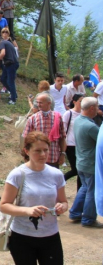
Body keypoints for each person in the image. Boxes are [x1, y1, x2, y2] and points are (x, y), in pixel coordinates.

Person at [0, 131, 68, 265]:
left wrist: (62, 207)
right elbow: (4, 205)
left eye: (45, 150)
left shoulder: (56, 174)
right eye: (37, 150)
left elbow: (63, 201)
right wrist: (28, 211)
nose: (43, 154)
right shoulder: (17, 174)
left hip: (50, 235)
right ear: (27, 151)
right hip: (22, 236)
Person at [68, 97, 102, 228]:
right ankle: (88, 219)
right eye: (97, 107)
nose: (98, 109)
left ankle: (75, 213)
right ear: (92, 108)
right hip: (90, 164)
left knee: (84, 188)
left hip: (81, 162)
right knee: (92, 191)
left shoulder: (78, 121)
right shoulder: (90, 126)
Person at [23, 93, 66, 168]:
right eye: (37, 102)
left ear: (49, 103)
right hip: (36, 159)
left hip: (53, 158)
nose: (38, 105)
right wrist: (26, 156)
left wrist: (62, 153)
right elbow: (26, 138)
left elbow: (62, 138)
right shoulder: (33, 118)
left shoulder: (58, 117)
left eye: (41, 102)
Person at [63, 94, 84, 191]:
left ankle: (80, 191)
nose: (82, 103)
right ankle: (61, 180)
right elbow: (63, 129)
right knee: (76, 170)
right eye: (80, 101)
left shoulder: (84, 114)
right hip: (70, 145)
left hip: (81, 145)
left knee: (81, 170)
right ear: (74, 102)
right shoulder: (68, 113)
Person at [0, 32, 20, 105]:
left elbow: (3, 53)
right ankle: (14, 94)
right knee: (3, 79)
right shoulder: (7, 43)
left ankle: (13, 99)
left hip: (11, 64)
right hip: (9, 64)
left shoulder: (2, 43)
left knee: (10, 81)